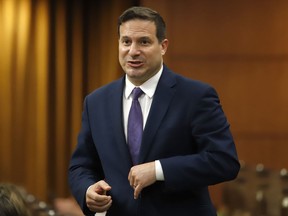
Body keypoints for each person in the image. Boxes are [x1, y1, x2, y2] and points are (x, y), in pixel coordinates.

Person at [68, 6, 240, 216]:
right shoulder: (95, 102)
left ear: (163, 46)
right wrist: (87, 190)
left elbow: (224, 161)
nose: (133, 51)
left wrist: (159, 170)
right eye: (126, 42)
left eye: (144, 42)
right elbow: (80, 166)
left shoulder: (196, 96)